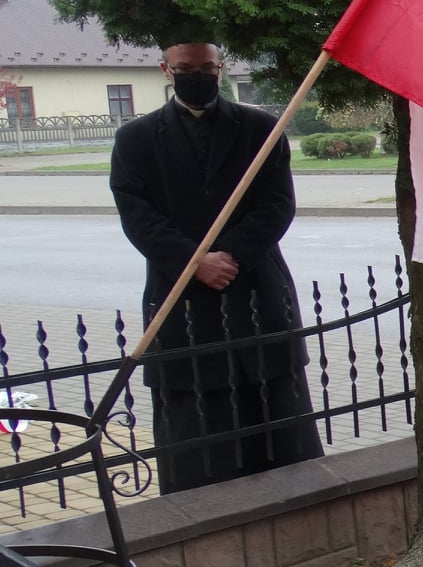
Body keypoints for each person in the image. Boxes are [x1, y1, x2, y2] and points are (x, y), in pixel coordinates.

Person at [109, 41, 322, 493]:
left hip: (255, 287)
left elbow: (277, 206)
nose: (197, 75)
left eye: (207, 67)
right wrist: (194, 262)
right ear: (166, 70)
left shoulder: (262, 129)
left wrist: (231, 256)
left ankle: (290, 498)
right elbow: (137, 213)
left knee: (273, 403)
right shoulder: (136, 139)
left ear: (221, 68)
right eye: (186, 68)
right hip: (181, 295)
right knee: (195, 415)